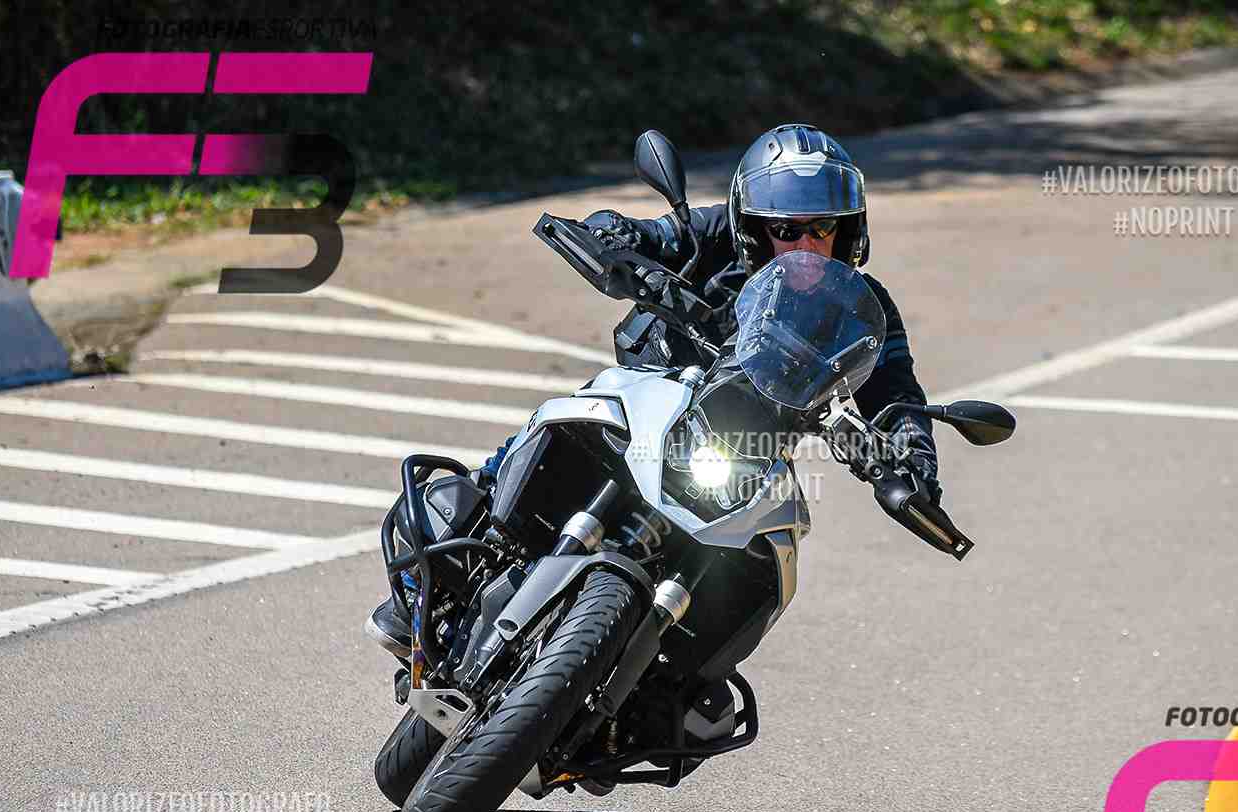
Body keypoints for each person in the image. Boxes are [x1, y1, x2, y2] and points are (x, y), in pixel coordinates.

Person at [366, 124, 939, 656]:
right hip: (650, 400)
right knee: (542, 442)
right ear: (754, 228)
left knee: (759, 569)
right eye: (786, 230)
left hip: (746, 450)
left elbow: (897, 393)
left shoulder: (864, 308)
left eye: (823, 228)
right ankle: (433, 579)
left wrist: (913, 459)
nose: (805, 245)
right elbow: (652, 233)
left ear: (849, 229)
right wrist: (613, 233)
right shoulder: (712, 234)